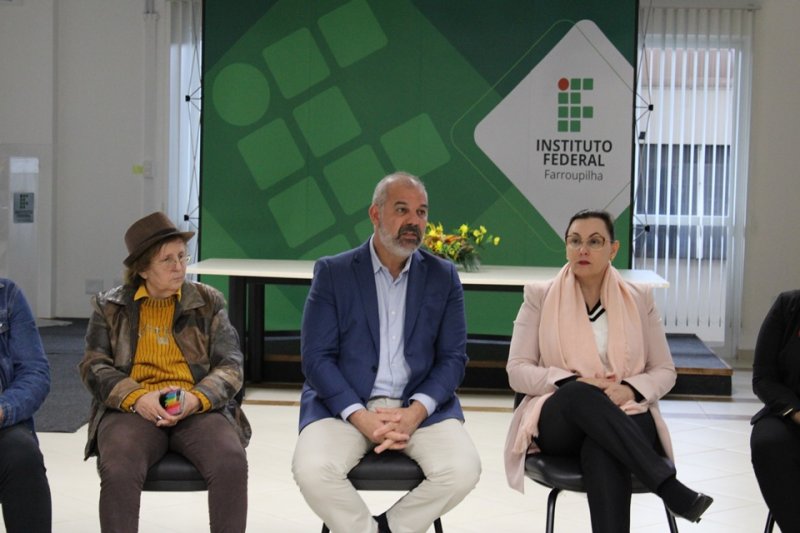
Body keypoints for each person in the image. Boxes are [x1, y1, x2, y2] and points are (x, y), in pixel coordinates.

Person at [292, 171, 481, 533]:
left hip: (419, 409)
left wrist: (414, 413)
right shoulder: (334, 272)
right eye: (402, 210)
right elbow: (316, 359)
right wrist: (359, 415)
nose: (414, 221)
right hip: (345, 406)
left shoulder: (443, 276)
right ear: (375, 214)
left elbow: (453, 359)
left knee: (462, 470)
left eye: (421, 212)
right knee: (313, 471)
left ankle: (391, 528)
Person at [503, 209, 713, 532]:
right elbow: (516, 370)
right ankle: (669, 487)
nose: (583, 250)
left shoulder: (640, 299)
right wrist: (572, 381)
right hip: (561, 419)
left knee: (603, 447)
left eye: (594, 241)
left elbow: (664, 370)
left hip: (627, 410)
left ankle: (663, 486)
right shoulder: (539, 296)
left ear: (613, 249)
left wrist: (629, 389)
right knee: (579, 393)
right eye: (575, 241)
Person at [79, 212, 251, 533]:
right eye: (167, 260)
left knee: (230, 461)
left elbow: (231, 365)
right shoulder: (110, 307)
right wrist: (136, 397)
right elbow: (94, 366)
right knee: (118, 466)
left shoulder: (207, 302)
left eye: (182, 257)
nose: (179, 267)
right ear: (143, 269)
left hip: (196, 405)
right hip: (132, 409)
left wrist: (195, 399)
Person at [0, 277, 52, 533]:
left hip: (2, 416)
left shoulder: (7, 295)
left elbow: (35, 372)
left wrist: (3, 409)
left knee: (23, 456)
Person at [750, 290, 800, 532]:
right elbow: (763, 377)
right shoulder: (788, 306)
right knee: (768, 443)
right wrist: (796, 412)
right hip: (788, 413)